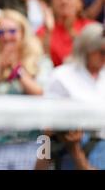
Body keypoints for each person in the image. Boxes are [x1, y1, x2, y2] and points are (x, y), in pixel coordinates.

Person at [0, 9, 52, 170]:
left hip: (33, 142)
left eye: (12, 31)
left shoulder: (40, 61)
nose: (6, 37)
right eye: (1, 33)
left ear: (23, 33)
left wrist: (17, 71)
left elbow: (43, 94)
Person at [42, 23, 105, 170]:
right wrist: (44, 155)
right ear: (86, 49)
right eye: (102, 51)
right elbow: (46, 128)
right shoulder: (62, 75)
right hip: (71, 150)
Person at [37, 0, 94, 67]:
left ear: (80, 2)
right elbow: (40, 60)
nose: (63, 1)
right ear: (51, 3)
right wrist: (48, 32)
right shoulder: (44, 31)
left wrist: (72, 32)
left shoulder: (91, 27)